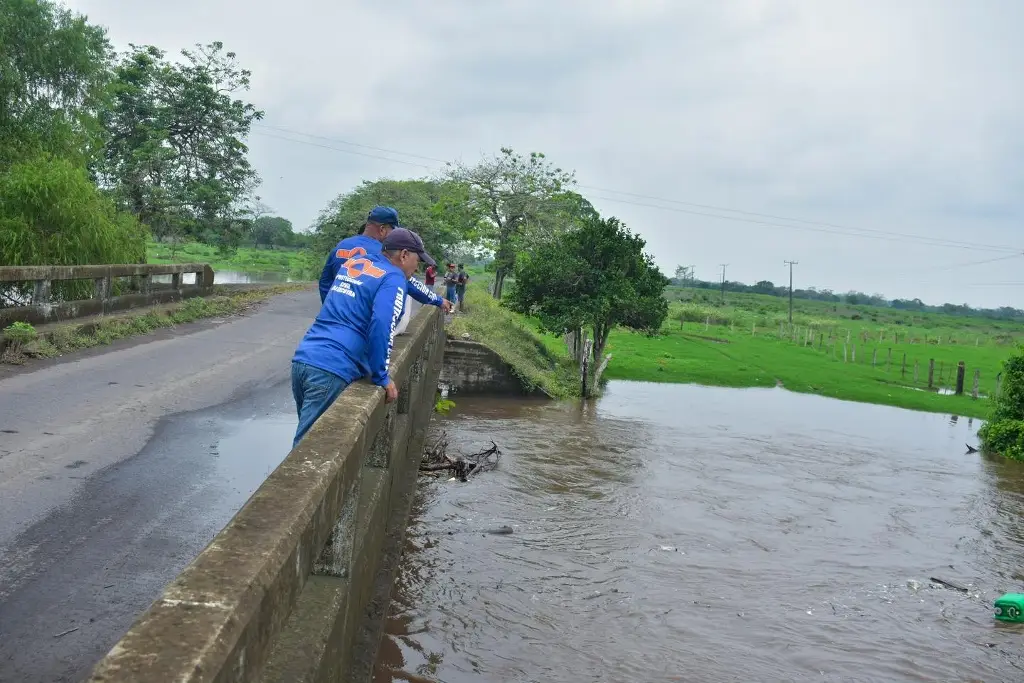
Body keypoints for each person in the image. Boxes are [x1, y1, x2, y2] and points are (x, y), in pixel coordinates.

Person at [291, 228, 437, 446]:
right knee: (309, 451)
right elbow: (382, 325)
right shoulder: (393, 276)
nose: (418, 267)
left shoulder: (356, 264)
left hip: (304, 359)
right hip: (333, 368)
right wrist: (381, 376)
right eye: (418, 260)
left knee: (308, 440)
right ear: (404, 255)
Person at [318, 206, 451, 313]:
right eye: (393, 230)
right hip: (364, 322)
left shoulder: (341, 245)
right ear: (382, 229)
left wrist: (331, 308)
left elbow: (325, 282)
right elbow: (409, 283)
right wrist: (438, 300)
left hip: (334, 317)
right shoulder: (383, 252)